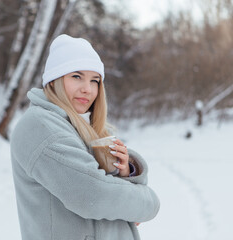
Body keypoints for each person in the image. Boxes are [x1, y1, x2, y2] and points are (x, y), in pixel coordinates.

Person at [10, 34, 160, 240]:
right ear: (54, 80)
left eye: (95, 80)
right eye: (76, 76)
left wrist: (125, 172)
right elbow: (93, 195)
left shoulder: (83, 126)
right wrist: (148, 202)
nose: (87, 89)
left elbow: (107, 192)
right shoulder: (41, 127)